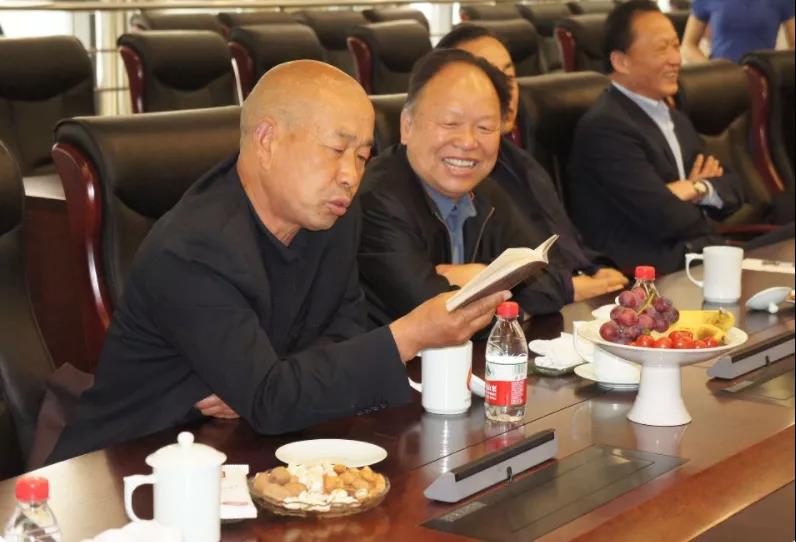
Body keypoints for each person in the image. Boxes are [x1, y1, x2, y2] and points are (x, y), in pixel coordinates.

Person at [48, 61, 509, 463]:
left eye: (362, 156)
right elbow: (274, 399)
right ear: (266, 140)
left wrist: (270, 381)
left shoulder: (334, 218)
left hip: (250, 447)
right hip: (133, 466)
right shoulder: (194, 248)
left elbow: (347, 332)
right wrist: (410, 334)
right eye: (336, 150)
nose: (350, 176)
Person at [359, 48, 588, 328]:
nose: (468, 142)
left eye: (485, 127)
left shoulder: (487, 192)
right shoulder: (377, 200)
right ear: (407, 126)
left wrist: (478, 277)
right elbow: (441, 319)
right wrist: (505, 290)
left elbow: (552, 283)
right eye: (450, 123)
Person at [436, 25, 628, 297]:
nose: (506, 90)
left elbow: (562, 237)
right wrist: (568, 289)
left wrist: (595, 268)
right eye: (488, 78)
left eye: (509, 76)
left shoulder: (520, 160)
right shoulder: (455, 174)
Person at [568, 0, 743, 274]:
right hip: (651, 276)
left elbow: (734, 189)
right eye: (662, 48)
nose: (676, 59)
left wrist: (695, 189)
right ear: (621, 62)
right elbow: (666, 218)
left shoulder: (674, 117)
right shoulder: (605, 127)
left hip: (699, 258)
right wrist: (702, 198)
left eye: (676, 45)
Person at [682, 0, 795, 64]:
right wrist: (712, 69)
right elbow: (688, 45)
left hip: (764, 79)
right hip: (720, 80)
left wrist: (776, 71)